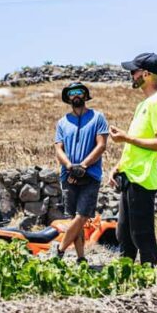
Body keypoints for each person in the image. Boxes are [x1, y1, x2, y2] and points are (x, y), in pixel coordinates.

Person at [108, 53, 157, 266]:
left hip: (143, 179)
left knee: (141, 235)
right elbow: (135, 144)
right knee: (124, 236)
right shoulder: (143, 104)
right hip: (130, 176)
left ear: (146, 74)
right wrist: (117, 167)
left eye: (134, 71)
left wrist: (125, 136)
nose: (131, 75)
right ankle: (126, 283)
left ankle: (151, 281)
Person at [53, 82, 109, 263]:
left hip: (91, 175)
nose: (76, 95)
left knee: (82, 215)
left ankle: (60, 250)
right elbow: (58, 149)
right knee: (74, 219)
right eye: (72, 93)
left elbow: (101, 145)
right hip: (68, 175)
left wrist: (83, 166)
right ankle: (81, 258)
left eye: (79, 92)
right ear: (67, 97)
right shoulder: (62, 122)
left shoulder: (97, 118)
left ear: (85, 95)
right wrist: (70, 167)